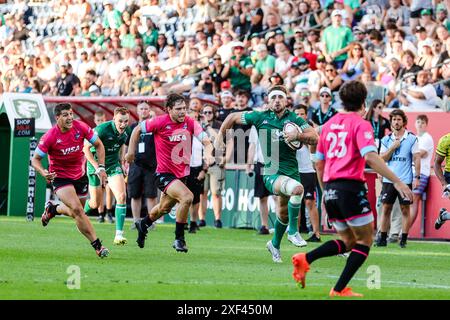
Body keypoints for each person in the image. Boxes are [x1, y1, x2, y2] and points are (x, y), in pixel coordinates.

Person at [291, 81, 413, 297]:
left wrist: (326, 194)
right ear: (363, 103)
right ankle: (338, 289)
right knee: (365, 240)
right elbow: (370, 157)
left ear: (342, 101)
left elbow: (318, 163)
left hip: (330, 189)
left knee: (348, 242)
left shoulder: (327, 126)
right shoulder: (360, 124)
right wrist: (398, 181)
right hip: (350, 188)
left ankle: (305, 259)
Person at [217, 85, 319, 262]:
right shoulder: (260, 116)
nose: (277, 100)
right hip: (271, 172)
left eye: (280, 97)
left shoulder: (294, 119)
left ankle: (274, 244)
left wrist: (298, 136)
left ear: (286, 100)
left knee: (283, 214)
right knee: (297, 189)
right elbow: (233, 116)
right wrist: (220, 137)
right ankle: (293, 232)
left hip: (291, 172)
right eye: (273, 97)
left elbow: (315, 137)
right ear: (268, 100)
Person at [125, 93, 215, 253]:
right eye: (179, 109)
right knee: (187, 197)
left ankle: (143, 224)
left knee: (163, 208)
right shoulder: (159, 122)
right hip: (163, 173)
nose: (183, 112)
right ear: (169, 110)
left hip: (182, 175)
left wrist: (208, 153)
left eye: (184, 109)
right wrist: (131, 152)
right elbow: (137, 129)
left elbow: (207, 142)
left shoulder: (190, 123)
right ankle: (179, 238)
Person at [31, 103, 109, 258]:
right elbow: (35, 159)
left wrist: (101, 167)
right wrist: (43, 172)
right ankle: (98, 246)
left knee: (78, 212)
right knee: (78, 210)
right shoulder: (50, 136)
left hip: (79, 176)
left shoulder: (81, 127)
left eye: (71, 114)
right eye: (65, 115)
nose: (69, 118)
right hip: (60, 178)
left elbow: (99, 145)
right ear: (57, 117)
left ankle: (53, 209)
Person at [83, 107, 131, 245]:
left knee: (121, 196)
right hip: (95, 165)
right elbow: (85, 148)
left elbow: (122, 145)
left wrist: (122, 162)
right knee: (95, 203)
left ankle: (119, 235)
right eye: (120, 121)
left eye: (126, 121)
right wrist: (97, 167)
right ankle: (81, 214)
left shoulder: (126, 130)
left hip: (112, 165)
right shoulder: (102, 129)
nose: (123, 124)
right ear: (114, 119)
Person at [375, 109, 421, 248]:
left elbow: (417, 158)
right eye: (394, 119)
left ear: (404, 122)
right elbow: (381, 159)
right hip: (389, 180)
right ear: (391, 122)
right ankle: (383, 238)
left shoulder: (412, 138)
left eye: (399, 119)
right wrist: (393, 147)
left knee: (405, 209)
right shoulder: (385, 139)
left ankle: (404, 239)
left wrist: (417, 177)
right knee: (386, 208)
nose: (396, 122)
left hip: (405, 180)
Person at [125, 102, 158, 229]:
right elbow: (126, 145)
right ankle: (136, 221)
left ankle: (151, 221)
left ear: (149, 111)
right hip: (135, 164)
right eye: (141, 109)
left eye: (146, 109)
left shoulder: (153, 126)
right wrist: (125, 160)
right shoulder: (132, 127)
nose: (144, 111)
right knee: (135, 194)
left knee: (151, 195)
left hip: (151, 165)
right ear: (137, 111)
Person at [294, 105, 321, 242]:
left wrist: (300, 136)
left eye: (302, 114)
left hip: (307, 169)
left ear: (306, 116)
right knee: (295, 201)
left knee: (310, 201)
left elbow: (313, 146)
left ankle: (316, 233)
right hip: (294, 169)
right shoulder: (288, 128)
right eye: (296, 114)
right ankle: (295, 232)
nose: (299, 116)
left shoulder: (309, 130)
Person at [199, 104, 224, 228]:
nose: (207, 115)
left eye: (209, 112)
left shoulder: (219, 125)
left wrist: (208, 126)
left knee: (216, 193)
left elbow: (218, 140)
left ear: (214, 113)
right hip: (201, 163)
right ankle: (201, 219)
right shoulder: (197, 125)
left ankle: (217, 219)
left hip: (215, 163)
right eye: (205, 112)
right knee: (202, 193)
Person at [410, 115, 434, 228]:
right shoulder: (414, 137)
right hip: (410, 172)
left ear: (426, 125)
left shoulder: (427, 138)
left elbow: (420, 154)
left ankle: (403, 231)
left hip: (421, 173)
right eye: (418, 121)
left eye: (422, 122)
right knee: (406, 202)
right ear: (415, 123)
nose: (420, 124)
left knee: (414, 201)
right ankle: (401, 230)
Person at [92, 111, 115, 223]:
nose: (100, 122)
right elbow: (86, 149)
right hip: (97, 164)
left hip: (109, 163)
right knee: (100, 189)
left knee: (109, 188)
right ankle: (101, 213)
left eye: (102, 120)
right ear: (95, 121)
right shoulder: (93, 133)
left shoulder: (108, 131)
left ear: (105, 119)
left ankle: (109, 212)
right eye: (98, 120)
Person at [247, 125, 271, 235]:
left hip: (275, 163)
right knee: (262, 197)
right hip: (260, 164)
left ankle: (282, 226)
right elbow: (252, 145)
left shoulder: (277, 122)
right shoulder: (255, 126)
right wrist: (249, 164)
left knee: (277, 196)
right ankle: (264, 226)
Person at [434, 133, 450, 230]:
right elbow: (437, 163)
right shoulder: (446, 140)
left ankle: (444, 216)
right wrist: (444, 184)